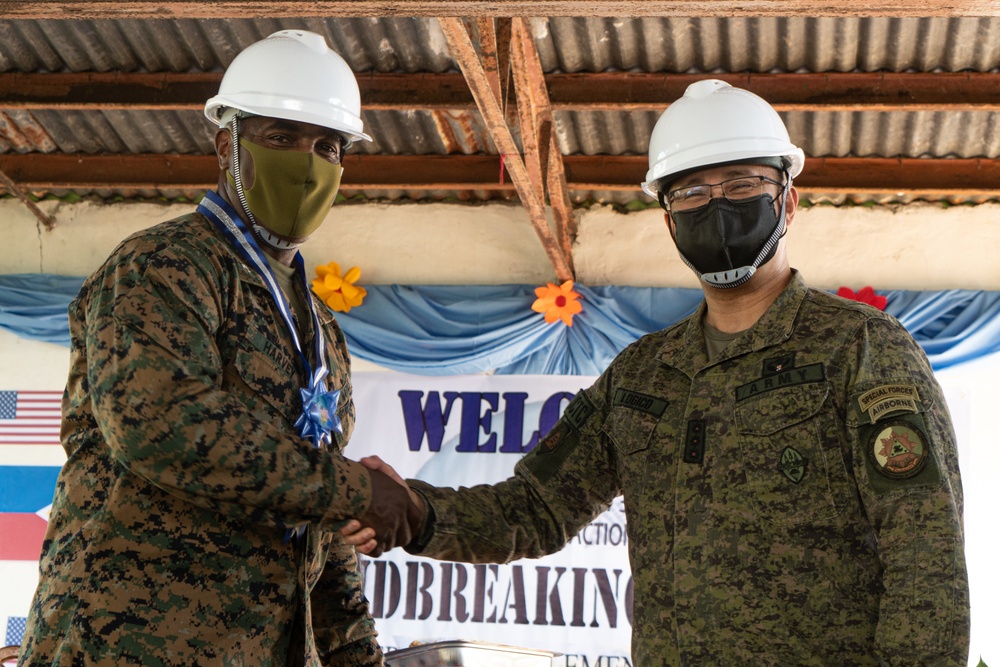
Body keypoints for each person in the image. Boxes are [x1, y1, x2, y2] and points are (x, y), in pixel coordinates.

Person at [343, 79, 971, 665]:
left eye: (743, 185)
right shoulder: (642, 376)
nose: (716, 207)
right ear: (668, 218)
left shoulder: (860, 348)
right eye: (691, 192)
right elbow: (535, 508)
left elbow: (926, 558)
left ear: (790, 199)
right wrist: (417, 513)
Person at [17, 30, 422, 666]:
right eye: (280, 138)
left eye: (328, 146)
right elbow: (163, 426)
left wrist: (355, 654)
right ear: (226, 143)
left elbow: (315, 517)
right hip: (126, 642)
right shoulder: (163, 267)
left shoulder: (319, 324)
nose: (307, 163)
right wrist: (357, 491)